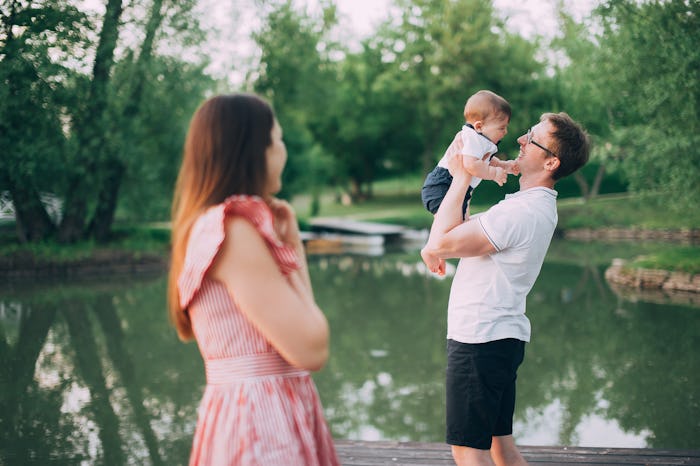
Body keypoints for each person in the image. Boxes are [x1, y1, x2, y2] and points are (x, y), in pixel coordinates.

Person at [167, 93, 340, 466]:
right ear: (255, 149)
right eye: (278, 140)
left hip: (262, 407)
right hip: (260, 423)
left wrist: (288, 241)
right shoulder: (231, 229)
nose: (283, 151)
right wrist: (293, 250)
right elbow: (312, 348)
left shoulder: (216, 225)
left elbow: (308, 331)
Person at [421, 113, 591, 466]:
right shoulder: (528, 207)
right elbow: (456, 233)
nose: (520, 141)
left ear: (551, 161)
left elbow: (442, 242)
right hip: (499, 339)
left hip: (480, 341)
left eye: (532, 138)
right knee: (502, 449)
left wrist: (463, 173)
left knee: (469, 453)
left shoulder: (521, 213)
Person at [421, 90, 520, 219]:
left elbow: (484, 160)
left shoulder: (480, 139)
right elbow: (471, 164)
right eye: (501, 128)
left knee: (461, 223)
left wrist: (502, 165)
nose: (505, 132)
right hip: (443, 186)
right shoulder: (474, 138)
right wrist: (493, 173)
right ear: (479, 126)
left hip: (455, 187)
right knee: (451, 224)